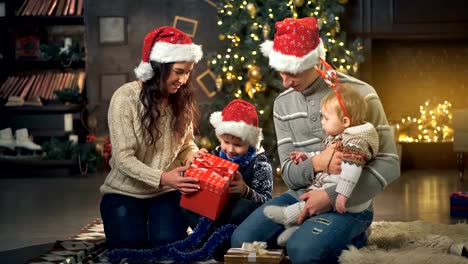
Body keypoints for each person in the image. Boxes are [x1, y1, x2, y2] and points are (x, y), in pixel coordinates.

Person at [231, 17, 401, 263]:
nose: (285, 82)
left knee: (303, 251)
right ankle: (320, 233)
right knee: (242, 241)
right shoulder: (283, 104)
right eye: (281, 72)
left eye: (292, 72)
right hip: (299, 196)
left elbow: (389, 163)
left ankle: (354, 232)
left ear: (313, 61)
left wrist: (330, 197)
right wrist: (319, 162)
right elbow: (289, 173)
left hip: (349, 203)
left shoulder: (361, 94)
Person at [99, 26, 208, 250]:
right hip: (124, 191)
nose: (184, 80)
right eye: (179, 71)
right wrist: (164, 177)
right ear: (157, 68)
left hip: (166, 193)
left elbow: (187, 145)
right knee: (129, 245)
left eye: (188, 72)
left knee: (167, 243)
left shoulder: (181, 100)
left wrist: (194, 157)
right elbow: (122, 158)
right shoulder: (125, 98)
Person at [263, 82, 379, 247]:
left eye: (325, 118)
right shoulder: (339, 136)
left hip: (347, 197)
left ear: (345, 121)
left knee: (312, 204)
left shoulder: (356, 142)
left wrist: (341, 197)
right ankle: (298, 229)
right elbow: (324, 155)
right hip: (331, 185)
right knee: (314, 200)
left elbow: (351, 172)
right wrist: (307, 157)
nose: (322, 122)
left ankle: (288, 216)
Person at [184, 99, 273, 260]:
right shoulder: (217, 154)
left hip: (236, 218)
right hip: (213, 213)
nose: (230, 150)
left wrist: (246, 191)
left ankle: (219, 244)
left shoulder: (259, 164)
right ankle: (207, 240)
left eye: (238, 145)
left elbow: (267, 203)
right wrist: (199, 164)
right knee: (187, 197)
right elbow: (201, 185)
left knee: (243, 207)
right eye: (226, 142)